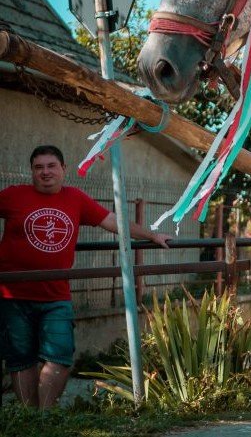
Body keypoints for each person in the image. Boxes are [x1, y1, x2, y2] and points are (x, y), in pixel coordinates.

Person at [0, 145, 172, 409]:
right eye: (39, 167)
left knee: (60, 357)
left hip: (56, 296)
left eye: (51, 166)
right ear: (32, 171)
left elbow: (114, 221)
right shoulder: (14, 196)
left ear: (63, 169)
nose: (45, 172)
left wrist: (152, 235)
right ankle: (27, 419)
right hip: (13, 295)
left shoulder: (76, 199)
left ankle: (45, 418)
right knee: (20, 359)